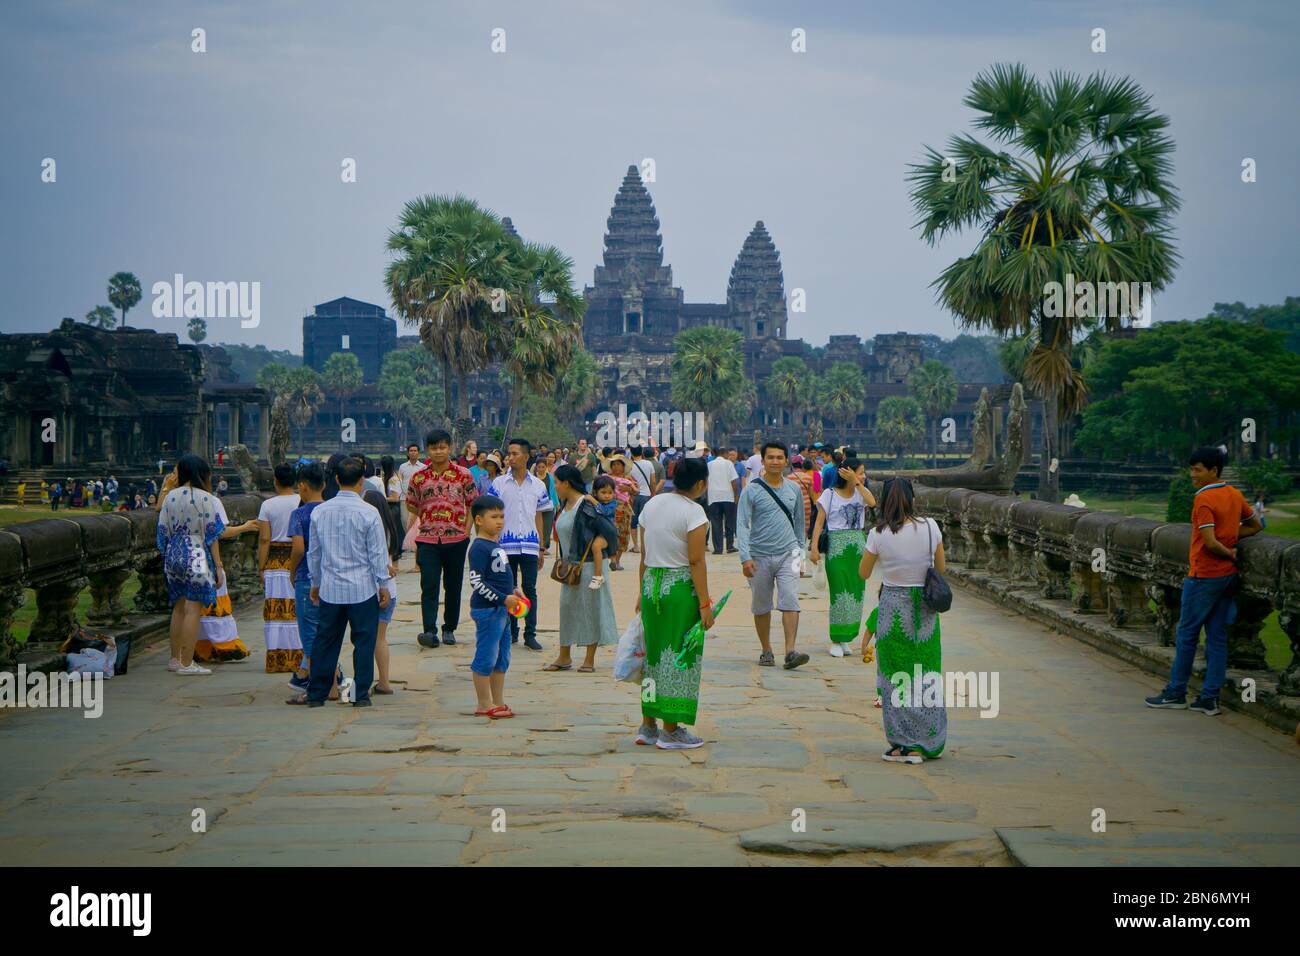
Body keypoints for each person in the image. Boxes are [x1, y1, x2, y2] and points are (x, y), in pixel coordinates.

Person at [1146, 446, 1262, 716]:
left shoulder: (1204, 499)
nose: (1192, 475)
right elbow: (1256, 526)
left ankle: (1176, 692)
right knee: (1217, 638)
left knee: (1186, 634)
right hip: (1227, 577)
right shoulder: (1233, 494)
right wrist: (1232, 538)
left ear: (1214, 470)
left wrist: (1226, 549)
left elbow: (1209, 543)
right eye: (1191, 469)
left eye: (1198, 470)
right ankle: (1210, 698)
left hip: (1203, 575)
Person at [858, 476, 947, 763]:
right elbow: (941, 568)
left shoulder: (878, 534)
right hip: (924, 611)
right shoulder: (931, 528)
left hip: (893, 607)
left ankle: (902, 744)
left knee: (894, 677)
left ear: (884, 502)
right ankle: (926, 740)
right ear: (912, 499)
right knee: (925, 673)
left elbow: (863, 573)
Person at [297, 456, 392, 708]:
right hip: (362, 588)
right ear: (362, 481)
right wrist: (383, 584)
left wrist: (315, 583)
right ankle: (360, 695)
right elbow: (377, 553)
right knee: (363, 642)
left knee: (325, 641)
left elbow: (313, 553)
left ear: (336, 480)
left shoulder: (320, 511)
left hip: (330, 588)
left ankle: (317, 694)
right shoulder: (369, 512)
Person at [634, 456, 714, 750]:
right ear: (700, 484)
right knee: (679, 654)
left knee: (653, 655)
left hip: (652, 584)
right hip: (679, 587)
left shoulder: (652, 504)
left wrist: (640, 594)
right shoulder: (694, 512)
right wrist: (705, 604)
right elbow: (695, 560)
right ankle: (670, 728)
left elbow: (644, 556)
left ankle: (648, 723)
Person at [736, 440, 809, 670]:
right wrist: (744, 557)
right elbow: (742, 525)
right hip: (758, 556)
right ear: (763, 461)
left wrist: (801, 555)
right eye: (771, 457)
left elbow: (799, 524)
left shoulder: (794, 489)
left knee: (790, 599)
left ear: (786, 461)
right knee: (762, 605)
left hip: (789, 554)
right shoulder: (752, 489)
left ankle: (790, 651)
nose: (775, 461)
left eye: (780, 457)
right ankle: (766, 650)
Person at [406, 429, 478, 649]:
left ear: (450, 448)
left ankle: (449, 628)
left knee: (453, 585)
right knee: (428, 585)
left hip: (456, 539)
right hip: (427, 539)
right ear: (428, 449)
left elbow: (472, 503)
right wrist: (428, 517)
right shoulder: (419, 477)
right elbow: (410, 502)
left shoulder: (463, 474)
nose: (438, 451)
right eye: (434, 447)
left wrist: (466, 531)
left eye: (442, 447)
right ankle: (429, 629)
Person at [545, 465, 620, 673]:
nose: (555, 486)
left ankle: (589, 659)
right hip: (572, 566)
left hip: (590, 565)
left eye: (557, 483)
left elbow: (610, 530)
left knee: (591, 608)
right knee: (567, 607)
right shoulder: (564, 503)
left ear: (566, 483)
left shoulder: (586, 505)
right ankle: (564, 655)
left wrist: (602, 545)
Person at [156, 454, 224, 676]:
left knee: (178, 606)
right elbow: (212, 536)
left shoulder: (170, 497)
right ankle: (187, 663)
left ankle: (175, 658)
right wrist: (219, 566)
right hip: (196, 552)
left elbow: (162, 532)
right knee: (193, 608)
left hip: (174, 551)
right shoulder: (207, 499)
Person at [488, 437, 552, 651]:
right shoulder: (499, 484)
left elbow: (539, 516)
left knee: (530, 588)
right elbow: (491, 513)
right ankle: (512, 630)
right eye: (509, 453)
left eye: (515, 454)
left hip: (531, 545)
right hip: (505, 545)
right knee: (509, 588)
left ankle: (530, 633)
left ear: (526, 456)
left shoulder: (538, 485)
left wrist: (542, 546)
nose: (510, 457)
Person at [466, 495, 527, 718]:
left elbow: (502, 574)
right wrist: (502, 599)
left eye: (501, 516)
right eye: (494, 517)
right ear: (479, 520)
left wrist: (513, 591)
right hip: (488, 610)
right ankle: (484, 703)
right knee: (486, 656)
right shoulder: (479, 547)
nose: (499, 521)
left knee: (502, 657)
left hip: (503, 608)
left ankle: (497, 700)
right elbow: (477, 581)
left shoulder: (496, 544)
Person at [810, 457, 876, 657]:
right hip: (837, 548)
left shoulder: (860, 493)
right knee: (839, 594)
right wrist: (813, 548)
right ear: (847, 472)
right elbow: (819, 523)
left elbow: (872, 502)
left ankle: (847, 636)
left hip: (857, 547)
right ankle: (836, 638)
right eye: (860, 472)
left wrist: (858, 482)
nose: (863, 476)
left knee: (857, 593)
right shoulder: (829, 495)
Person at [195, 498, 258, 662]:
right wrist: (245, 527)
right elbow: (217, 533)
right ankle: (222, 646)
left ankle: (192, 649)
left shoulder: (173, 499)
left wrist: (166, 488)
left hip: (181, 557)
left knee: (188, 607)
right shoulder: (209, 500)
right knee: (213, 603)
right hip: (204, 558)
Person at [286, 463, 330, 698]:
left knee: (310, 633)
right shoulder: (331, 510)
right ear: (323, 485)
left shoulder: (300, 514)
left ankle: (315, 683)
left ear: (302, 486)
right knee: (326, 630)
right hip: (332, 578)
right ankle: (319, 677)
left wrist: (291, 572)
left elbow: (298, 549)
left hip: (307, 577)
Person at [257, 463, 303, 673]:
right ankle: (299, 658)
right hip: (298, 558)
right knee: (296, 610)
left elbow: (264, 539)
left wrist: (261, 566)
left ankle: (276, 659)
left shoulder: (268, 505)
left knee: (276, 612)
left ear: (275, 481)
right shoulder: (301, 501)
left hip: (275, 562)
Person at [362, 471, 403, 695]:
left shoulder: (369, 525)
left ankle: (365, 682)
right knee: (380, 638)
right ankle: (384, 681)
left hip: (372, 589)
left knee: (366, 638)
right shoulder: (390, 527)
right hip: (390, 589)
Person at [605, 455, 639, 569]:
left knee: (622, 535)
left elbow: (636, 491)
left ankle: (616, 561)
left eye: (618, 464)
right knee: (609, 533)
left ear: (623, 466)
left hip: (624, 510)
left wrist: (628, 489)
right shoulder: (606, 478)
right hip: (608, 509)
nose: (616, 467)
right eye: (613, 464)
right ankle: (610, 559)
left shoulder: (629, 478)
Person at [706, 445, 741, 554]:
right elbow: (734, 481)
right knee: (729, 522)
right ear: (725, 454)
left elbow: (706, 481)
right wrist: (736, 495)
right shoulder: (729, 463)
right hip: (728, 496)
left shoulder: (709, 465)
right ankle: (730, 546)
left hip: (714, 497)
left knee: (716, 523)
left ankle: (718, 549)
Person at [627, 446, 659, 551]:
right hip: (646, 496)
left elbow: (628, 482)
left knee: (634, 522)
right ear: (642, 452)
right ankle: (646, 546)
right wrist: (653, 494)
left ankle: (636, 546)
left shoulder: (629, 466)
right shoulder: (649, 464)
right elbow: (653, 481)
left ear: (631, 453)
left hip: (634, 496)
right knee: (645, 522)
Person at [397, 442, 425, 530]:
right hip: (404, 499)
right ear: (408, 453)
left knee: (418, 524)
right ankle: (407, 543)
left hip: (419, 500)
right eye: (411, 451)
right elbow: (399, 481)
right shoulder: (402, 467)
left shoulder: (424, 467)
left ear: (418, 453)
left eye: (415, 451)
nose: (413, 452)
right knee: (405, 522)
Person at [533, 456, 558, 551]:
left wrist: (557, 503)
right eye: (539, 467)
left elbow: (553, 491)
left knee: (547, 526)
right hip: (535, 506)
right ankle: (537, 544)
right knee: (536, 525)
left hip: (548, 505)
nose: (541, 469)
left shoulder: (550, 478)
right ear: (536, 467)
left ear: (546, 467)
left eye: (543, 467)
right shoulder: (533, 478)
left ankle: (545, 546)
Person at [792, 458, 818, 540]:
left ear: (792, 466)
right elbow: (811, 494)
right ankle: (802, 543)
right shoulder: (808, 477)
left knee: (794, 523)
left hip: (793, 503)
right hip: (806, 504)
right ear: (801, 465)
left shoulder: (789, 478)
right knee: (806, 526)